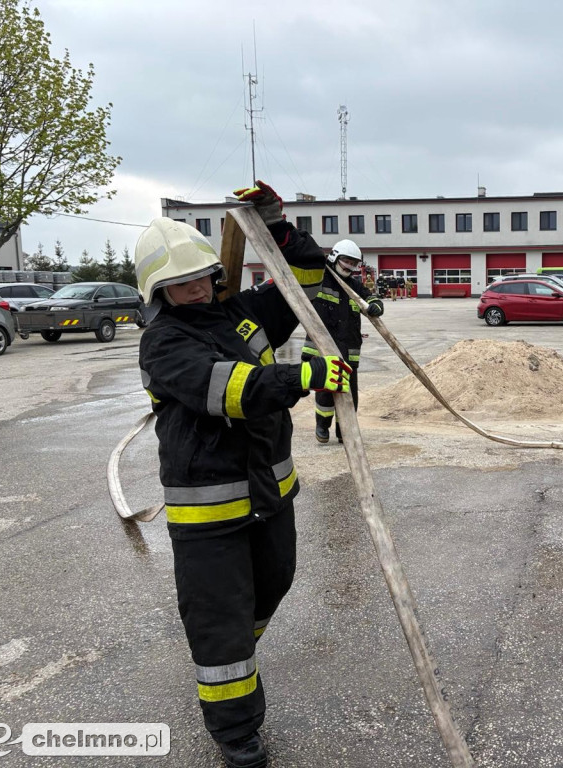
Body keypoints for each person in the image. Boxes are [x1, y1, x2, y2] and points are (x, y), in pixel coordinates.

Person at [134, 181, 352, 768]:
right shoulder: (163, 343)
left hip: (270, 494)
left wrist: (276, 227)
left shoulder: (241, 313)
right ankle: (235, 730)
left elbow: (304, 284)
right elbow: (229, 390)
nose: (196, 288)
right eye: (181, 282)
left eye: (201, 276)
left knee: (272, 585)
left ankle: (234, 653)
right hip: (208, 510)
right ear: (158, 292)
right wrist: (301, 377)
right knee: (220, 618)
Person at [294, 237, 385, 444]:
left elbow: (371, 298)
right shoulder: (320, 280)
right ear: (335, 257)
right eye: (347, 261)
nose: (349, 266)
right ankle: (322, 426)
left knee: (349, 394)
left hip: (349, 350)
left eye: (354, 263)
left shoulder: (354, 286)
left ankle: (344, 430)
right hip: (323, 348)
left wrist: (376, 306)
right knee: (326, 390)